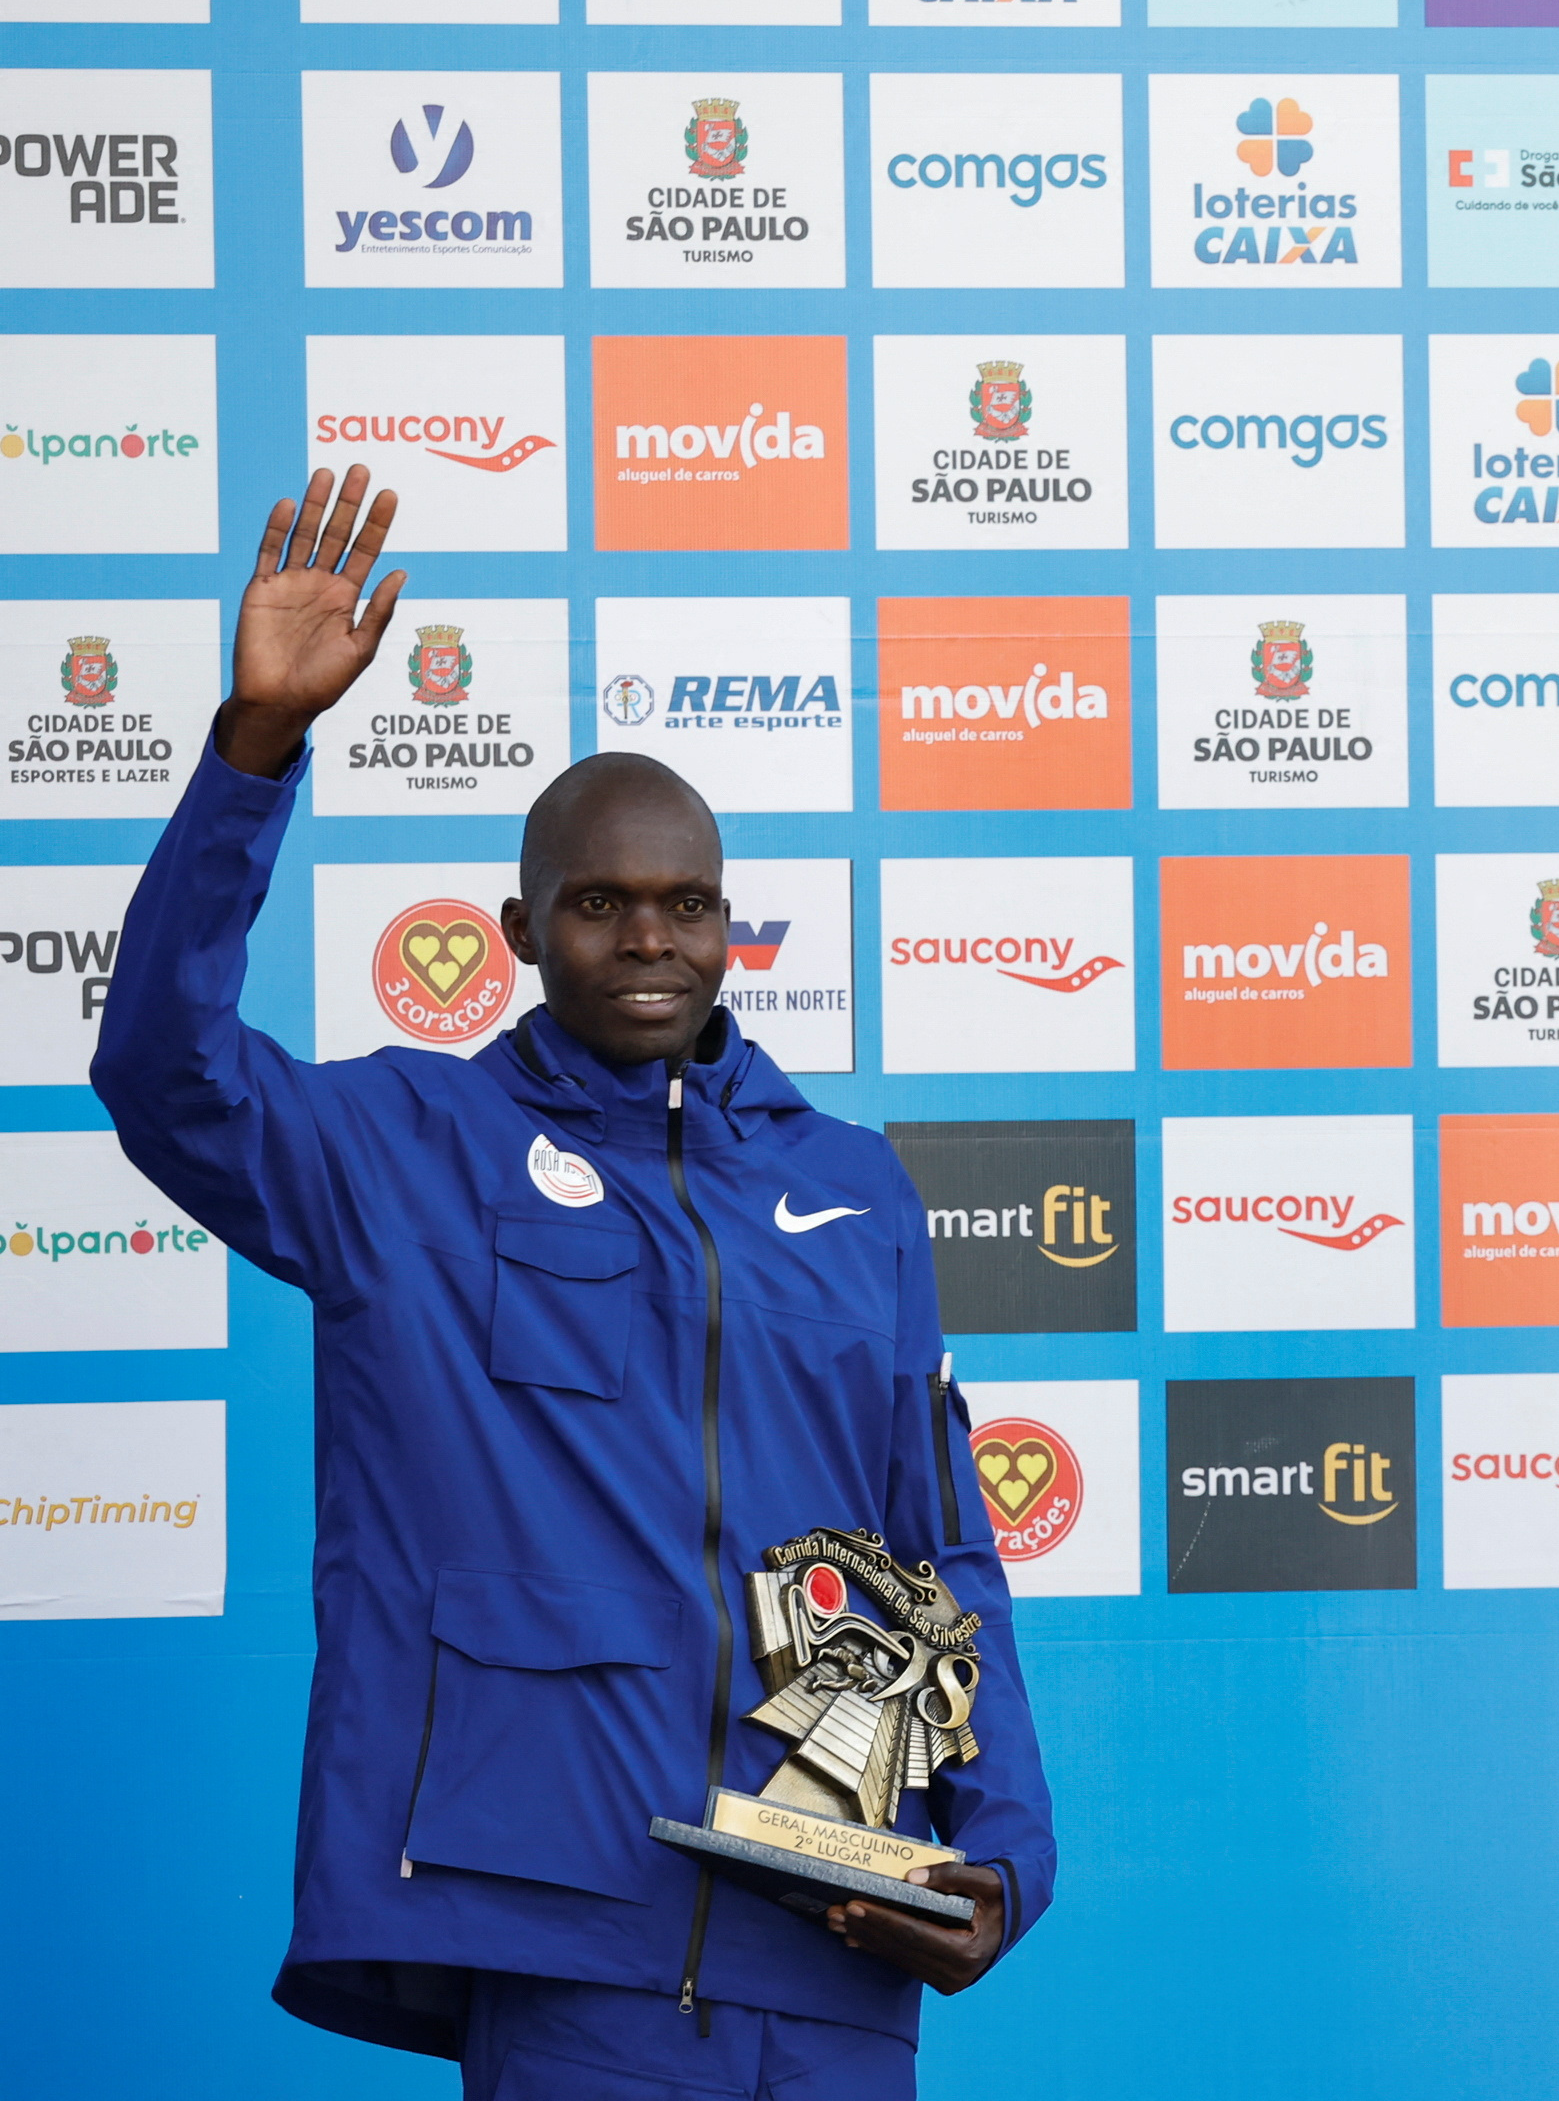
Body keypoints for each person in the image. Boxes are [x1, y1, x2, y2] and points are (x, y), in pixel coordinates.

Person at [90, 467, 1056, 2099]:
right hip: (566, 1939)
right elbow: (164, 1071)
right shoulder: (407, 1148)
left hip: (833, 1933)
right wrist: (255, 750)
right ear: (522, 930)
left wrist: (1007, 1855)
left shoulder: (856, 1190)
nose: (649, 938)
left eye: (687, 905)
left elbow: (940, 1549)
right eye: (601, 905)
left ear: (734, 929)